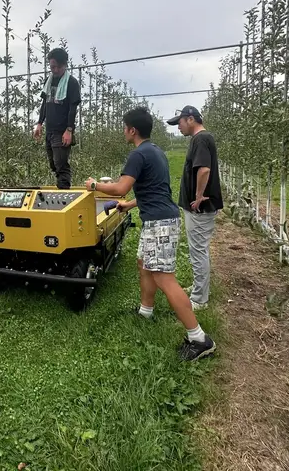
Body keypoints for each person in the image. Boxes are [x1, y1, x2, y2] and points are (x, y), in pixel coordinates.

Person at [84, 107, 216, 362]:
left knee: (164, 278)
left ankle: (199, 339)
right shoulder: (155, 151)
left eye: (124, 127)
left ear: (132, 130)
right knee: (144, 263)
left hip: (160, 224)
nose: (123, 131)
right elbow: (154, 190)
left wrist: (94, 185)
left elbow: (121, 187)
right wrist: (130, 205)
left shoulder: (138, 154)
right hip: (159, 218)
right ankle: (146, 311)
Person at [168, 105, 223, 310]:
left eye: (180, 123)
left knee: (198, 250)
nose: (178, 127)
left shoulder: (200, 139)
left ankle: (200, 299)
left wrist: (199, 196)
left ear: (190, 119)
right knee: (198, 249)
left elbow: (204, 170)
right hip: (198, 207)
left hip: (199, 208)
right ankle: (199, 287)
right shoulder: (201, 138)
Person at [33, 47, 81, 188]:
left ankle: (64, 194)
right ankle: (61, 189)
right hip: (50, 130)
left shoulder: (71, 83)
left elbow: (73, 108)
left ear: (64, 65)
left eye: (57, 67)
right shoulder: (49, 81)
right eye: (52, 67)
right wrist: (40, 123)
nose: (54, 70)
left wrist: (69, 130)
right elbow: (45, 103)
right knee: (53, 164)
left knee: (61, 165)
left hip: (62, 131)